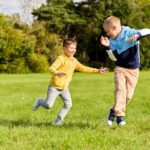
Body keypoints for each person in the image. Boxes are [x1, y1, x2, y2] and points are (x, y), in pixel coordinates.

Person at [33, 38, 108, 126]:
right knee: (48, 105)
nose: (73, 50)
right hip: (54, 87)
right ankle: (39, 101)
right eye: (71, 48)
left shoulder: (74, 61)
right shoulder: (61, 59)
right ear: (64, 49)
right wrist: (57, 73)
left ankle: (57, 121)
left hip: (64, 88)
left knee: (68, 104)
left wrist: (98, 71)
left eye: (74, 48)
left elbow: (84, 68)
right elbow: (51, 68)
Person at [100, 16, 150, 127]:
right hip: (120, 69)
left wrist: (138, 35)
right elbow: (114, 58)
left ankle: (112, 110)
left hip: (133, 70)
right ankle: (119, 118)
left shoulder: (129, 32)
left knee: (127, 97)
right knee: (120, 90)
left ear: (114, 27)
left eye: (108, 31)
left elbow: (147, 30)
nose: (107, 34)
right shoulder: (111, 41)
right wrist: (108, 47)